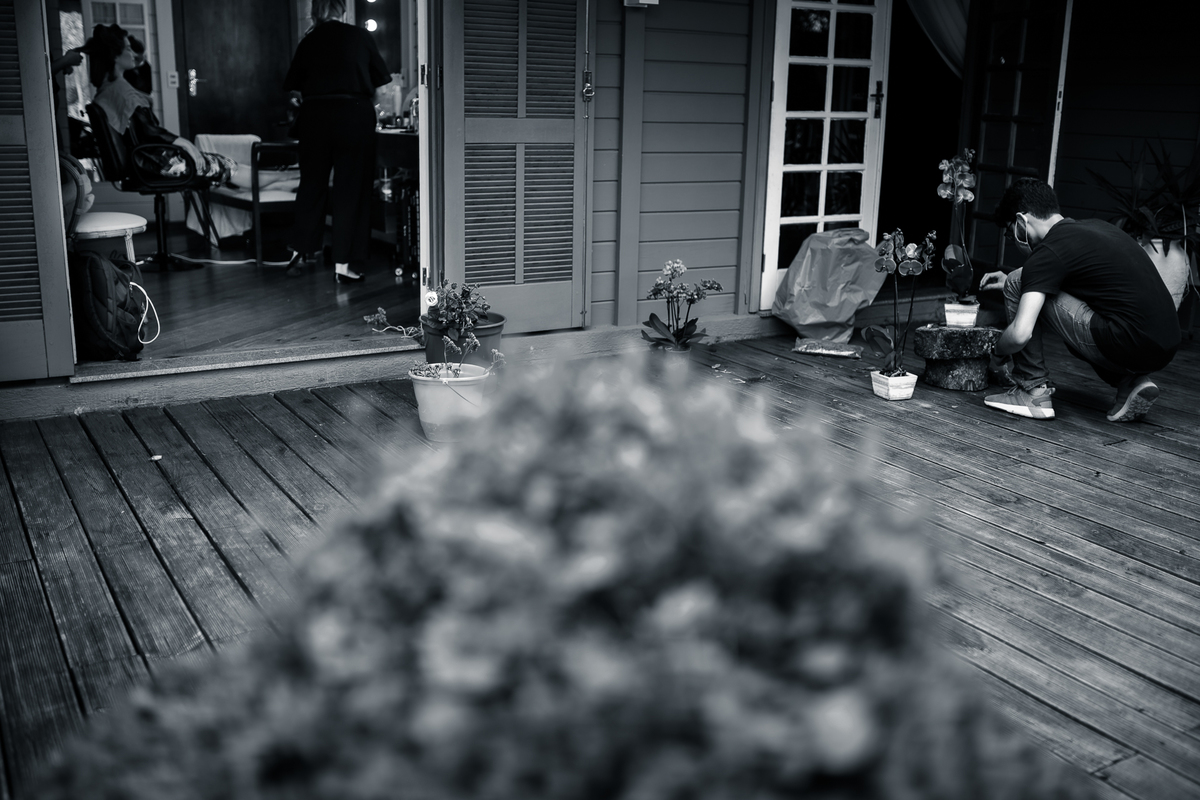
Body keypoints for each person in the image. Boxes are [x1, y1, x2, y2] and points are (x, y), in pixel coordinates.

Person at [979, 178, 1181, 423]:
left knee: (1016, 280)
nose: (1014, 241)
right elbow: (1071, 276)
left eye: (1011, 234)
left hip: (1126, 339)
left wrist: (997, 353)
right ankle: (1131, 382)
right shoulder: (1095, 228)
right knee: (1025, 282)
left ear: (1022, 221)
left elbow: (1021, 334)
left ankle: (1032, 392)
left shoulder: (1047, 252)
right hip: (1165, 345)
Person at [282, 0, 390, 281]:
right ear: (342, 9)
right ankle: (343, 265)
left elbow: (293, 90)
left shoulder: (308, 40)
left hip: (314, 117)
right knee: (351, 189)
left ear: (315, 11)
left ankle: (301, 250)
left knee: (312, 184)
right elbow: (380, 87)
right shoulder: (359, 36)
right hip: (354, 115)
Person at [84, 24, 235, 186]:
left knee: (228, 171)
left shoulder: (107, 91)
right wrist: (185, 143)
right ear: (115, 56)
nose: (134, 54)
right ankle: (260, 198)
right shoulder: (121, 91)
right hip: (156, 163)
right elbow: (148, 131)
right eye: (128, 49)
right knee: (230, 167)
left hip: (145, 163)